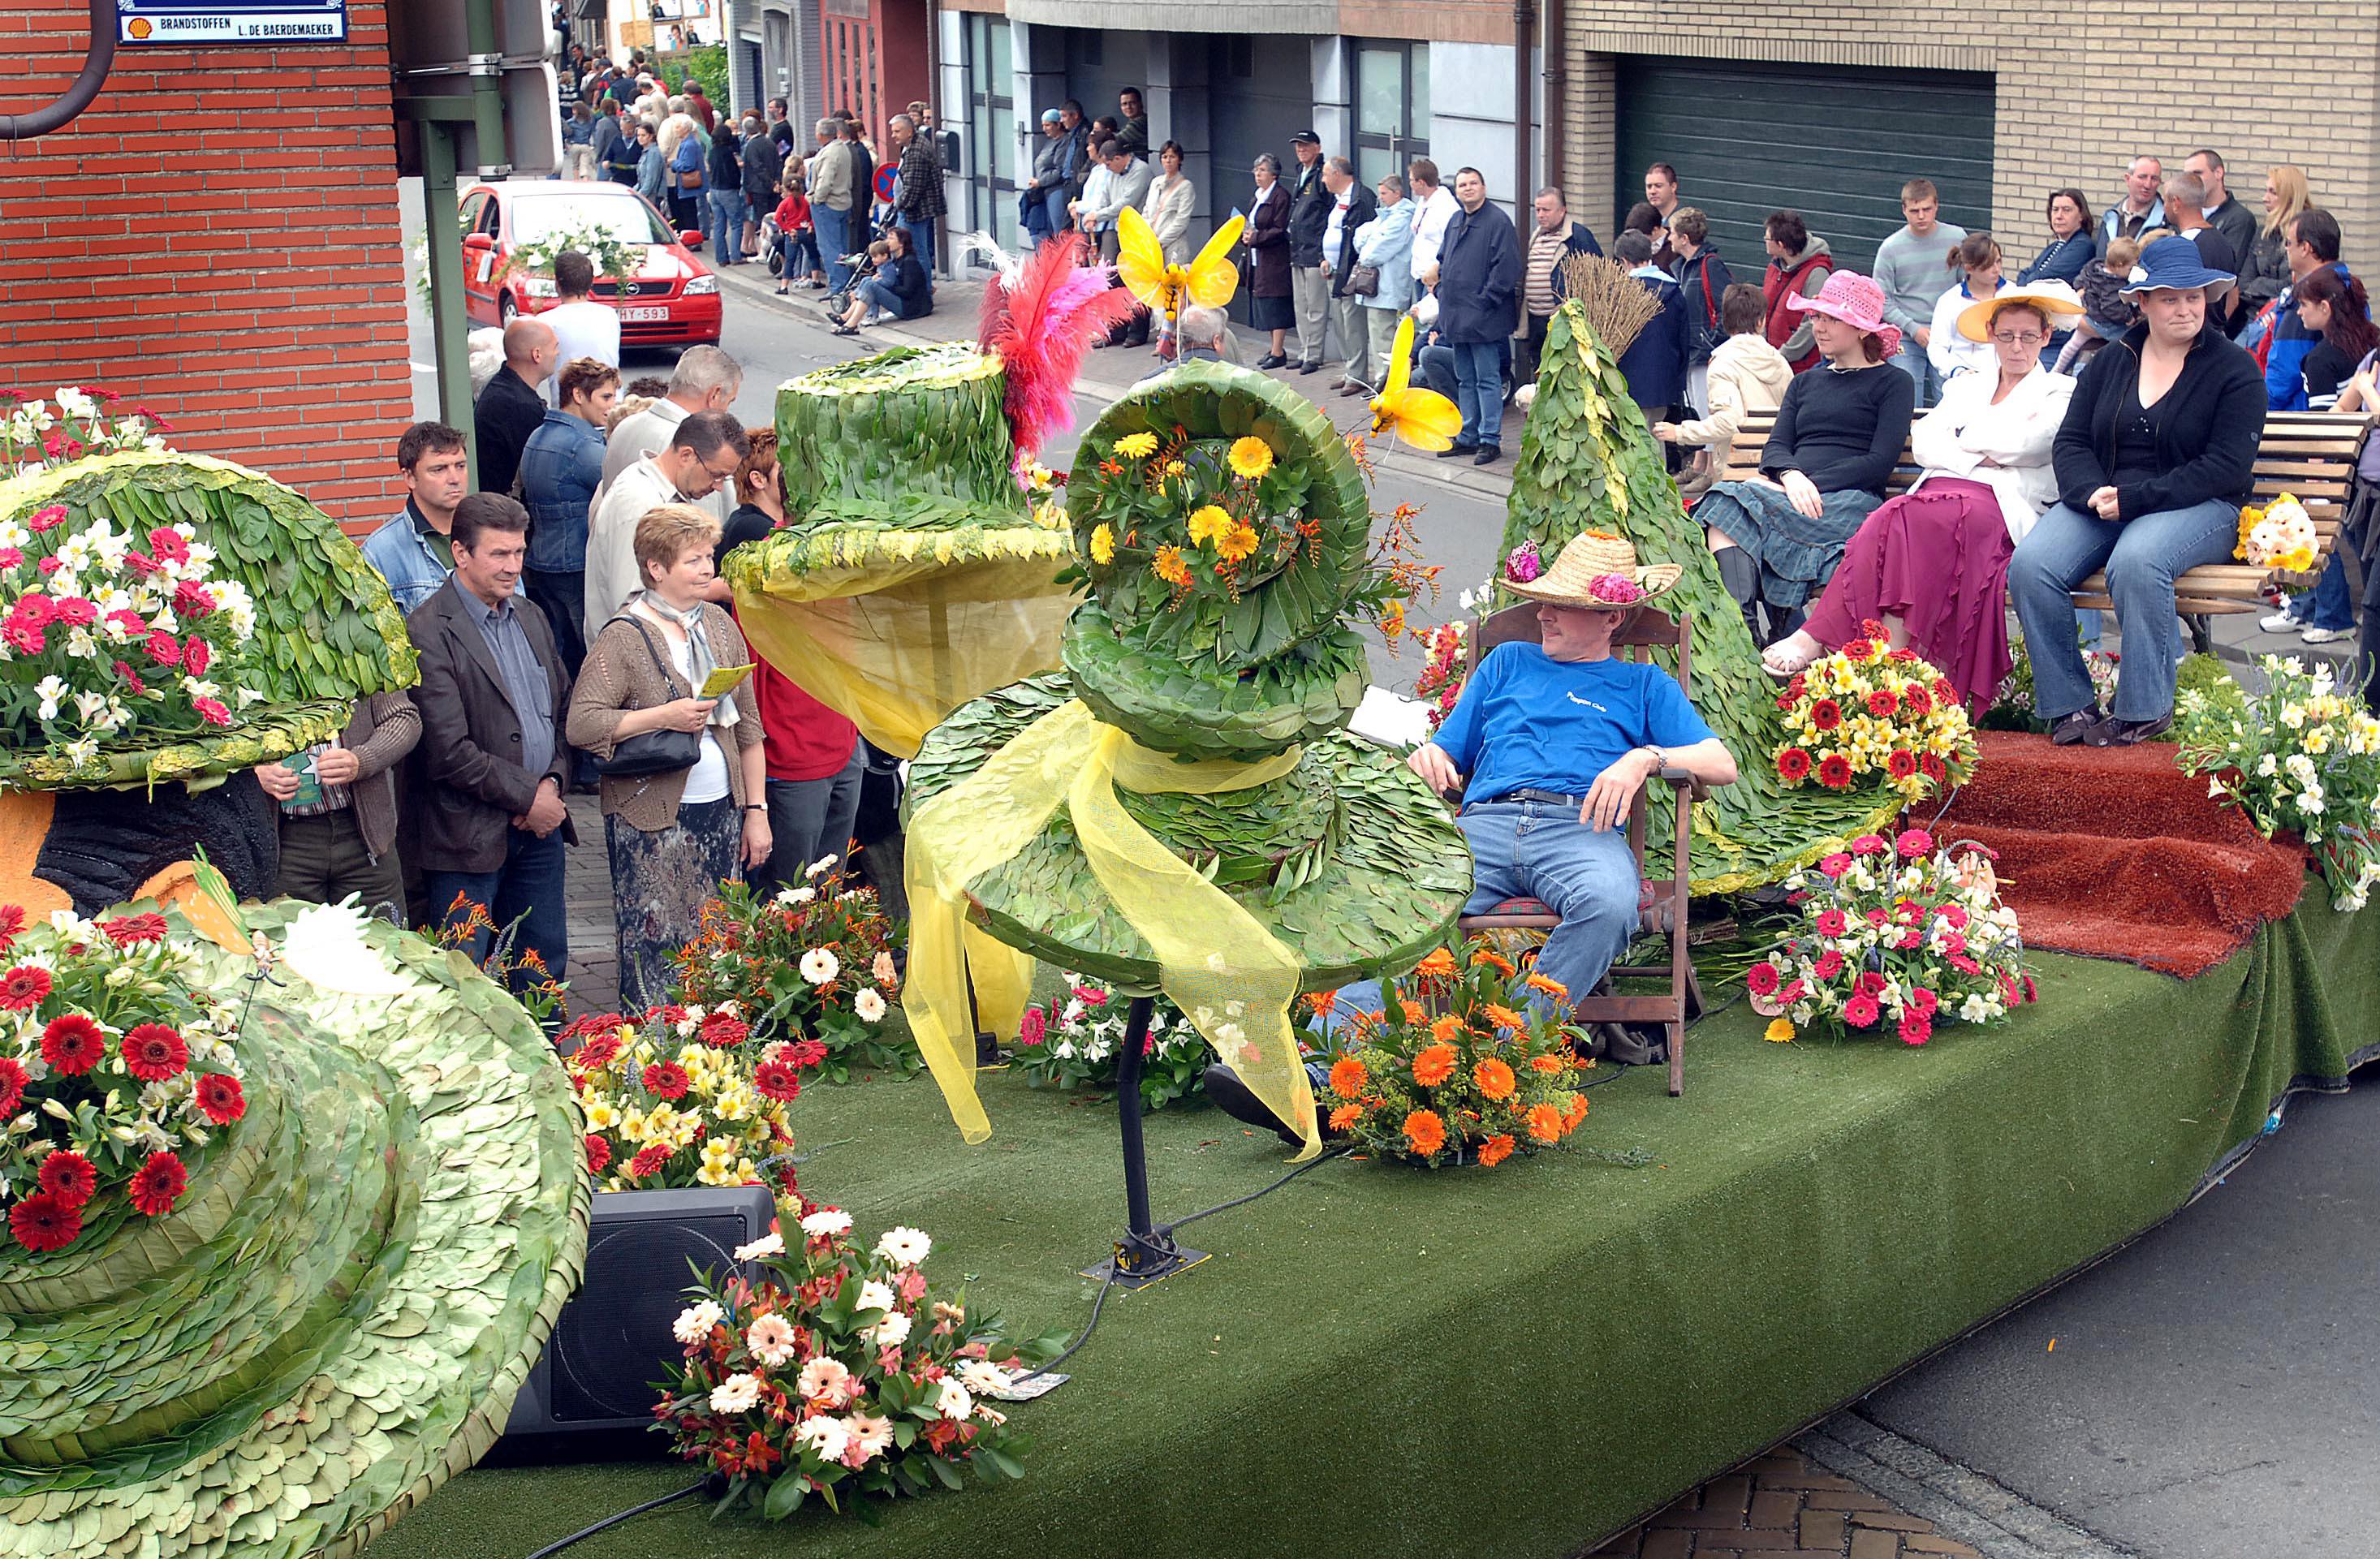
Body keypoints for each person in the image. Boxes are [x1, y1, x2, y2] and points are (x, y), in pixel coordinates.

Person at [1407, 532, 1737, 1018]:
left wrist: (1646, 757)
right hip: (1485, 828)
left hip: (1580, 830)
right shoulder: (1506, 663)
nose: (1543, 614)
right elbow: (1447, 752)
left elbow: (1721, 764)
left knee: (1609, 903)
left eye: (1562, 605)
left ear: (1612, 618)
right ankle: (1325, 1065)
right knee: (1404, 906)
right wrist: (1431, 756)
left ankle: (1508, 1049)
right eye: (1544, 602)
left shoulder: (1642, 684)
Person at [1761, 284, 2083, 707]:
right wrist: (1983, 451)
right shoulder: (1968, 384)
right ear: (1990, 333)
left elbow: (2033, 443)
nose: (2017, 347)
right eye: (2006, 335)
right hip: (1934, 495)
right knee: (1888, 517)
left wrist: (1962, 440)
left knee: (1906, 518)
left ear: (2045, 336)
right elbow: (1928, 440)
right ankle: (1888, 661)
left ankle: (1829, 640)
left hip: (1998, 504)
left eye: (2028, 336)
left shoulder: (2059, 390)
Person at [2008, 243, 2266, 746]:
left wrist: (2134, 499)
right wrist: (2088, 494)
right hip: (2108, 499)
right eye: (2169, 299)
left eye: (2193, 296)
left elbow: (2225, 467)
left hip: (2201, 504)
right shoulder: (2111, 361)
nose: (2185, 308)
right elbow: (2073, 440)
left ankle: (2144, 709)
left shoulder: (2234, 370)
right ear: (2143, 303)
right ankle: (2070, 707)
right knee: (2032, 566)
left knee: (2138, 560)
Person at [567, 504, 769, 1010]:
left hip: (721, 811)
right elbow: (583, 724)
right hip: (649, 817)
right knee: (655, 942)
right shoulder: (624, 635)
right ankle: (654, 1055)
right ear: (657, 569)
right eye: (693, 560)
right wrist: (664, 716)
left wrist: (756, 811)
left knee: (718, 941)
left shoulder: (719, 625)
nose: (707, 568)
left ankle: (718, 1051)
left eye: (708, 557)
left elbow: (748, 728)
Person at [1697, 270, 1918, 644]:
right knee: (1724, 503)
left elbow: (1878, 462)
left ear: (1863, 329)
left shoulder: (1894, 383)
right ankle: (1746, 637)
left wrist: (1810, 485)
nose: (1819, 327)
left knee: (1736, 504)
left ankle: (1779, 634)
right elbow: (1777, 446)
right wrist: (1791, 479)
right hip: (1791, 495)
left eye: (1832, 318)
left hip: (1848, 499)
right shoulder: (1806, 382)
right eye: (1816, 317)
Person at [407, 494, 576, 984]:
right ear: (461, 554)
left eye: (519, 553)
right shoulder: (427, 630)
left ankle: (548, 1060)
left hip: (540, 830)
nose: (512, 566)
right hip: (467, 836)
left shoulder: (529, 615)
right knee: (462, 977)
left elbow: (562, 712)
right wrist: (530, 796)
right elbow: (446, 751)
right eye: (499, 554)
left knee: (543, 969)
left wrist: (553, 786)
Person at [715, 435, 866, 891]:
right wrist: (755, 802)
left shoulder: (838, 552)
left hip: (841, 743)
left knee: (828, 888)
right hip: (791, 754)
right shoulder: (763, 554)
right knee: (792, 896)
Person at [2260, 249, 2367, 644]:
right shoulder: (2368, 344)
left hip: (2334, 466)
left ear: (2325, 307)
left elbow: (2327, 427)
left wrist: (2315, 473)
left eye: (2304, 307)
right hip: (2366, 463)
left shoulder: (2320, 359)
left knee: (2324, 537)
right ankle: (2312, 608)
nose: (2299, 314)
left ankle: (2335, 616)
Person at [252, 692, 420, 923]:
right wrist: (254, 773)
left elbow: (405, 718)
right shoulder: (247, 659)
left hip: (365, 839)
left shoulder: (360, 654)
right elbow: (217, 739)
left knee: (382, 948)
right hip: (286, 844)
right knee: (289, 953)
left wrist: (363, 760)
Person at [587, 410, 749, 627]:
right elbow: (633, 603)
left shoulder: (664, 493)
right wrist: (711, 590)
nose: (719, 487)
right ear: (686, 456)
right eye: (716, 475)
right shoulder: (638, 504)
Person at [520, 356, 619, 677]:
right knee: (590, 656)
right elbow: (621, 485)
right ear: (578, 395)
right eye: (605, 396)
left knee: (560, 654)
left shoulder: (536, 435)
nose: (612, 405)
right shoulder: (582, 446)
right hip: (575, 563)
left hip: (541, 560)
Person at [1653, 282, 1791, 501]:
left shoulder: (1722, 363)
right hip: (1776, 468)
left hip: (1736, 473)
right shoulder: (1780, 361)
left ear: (1725, 322)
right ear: (1762, 322)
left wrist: (1680, 432)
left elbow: (1729, 421)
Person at [1432, 167, 1521, 467]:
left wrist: (1485, 301)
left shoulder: (1498, 222)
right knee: (1465, 379)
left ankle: (1489, 439)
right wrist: (1442, 291)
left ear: (1483, 187)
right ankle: (1468, 435)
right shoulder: (1456, 221)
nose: (1467, 188)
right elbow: (1443, 260)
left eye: (1473, 183)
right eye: (1462, 184)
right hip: (1457, 317)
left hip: (1484, 319)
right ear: (1456, 190)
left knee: (1487, 380)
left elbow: (1507, 269)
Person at [600, 343, 741, 523]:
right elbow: (707, 527)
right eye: (729, 401)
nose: (726, 412)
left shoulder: (624, 426)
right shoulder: (699, 445)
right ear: (714, 395)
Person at [1873, 179, 1967, 407]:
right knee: (1906, 401)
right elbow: (1881, 299)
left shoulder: (1957, 238)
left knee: (1950, 400)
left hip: (1948, 335)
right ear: (1904, 210)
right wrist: (1914, 329)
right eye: (1915, 211)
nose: (1921, 216)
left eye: (1927, 209)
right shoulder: (1890, 248)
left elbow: (1966, 286)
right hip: (1907, 336)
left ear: (1937, 206)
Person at [362, 421, 474, 614]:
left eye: (460, 466)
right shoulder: (380, 552)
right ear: (410, 478)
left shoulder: (489, 533)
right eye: (439, 469)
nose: (455, 478)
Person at [1519, 185, 1602, 386]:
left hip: (1562, 320)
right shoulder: (1537, 235)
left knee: (1564, 373)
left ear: (1562, 210)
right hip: (1535, 319)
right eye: (1538, 210)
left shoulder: (1578, 236)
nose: (1540, 215)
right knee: (1540, 369)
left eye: (1546, 210)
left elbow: (1598, 273)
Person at [1613, 230, 1689, 436]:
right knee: (1657, 435)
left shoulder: (1620, 294)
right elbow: (1683, 340)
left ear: (1624, 261)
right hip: (1664, 381)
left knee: (1635, 441)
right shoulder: (1674, 291)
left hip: (1629, 382)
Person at [475, 317, 555, 497]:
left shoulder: (502, 388)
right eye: (555, 347)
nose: (558, 353)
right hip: (505, 514)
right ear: (537, 354)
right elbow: (540, 472)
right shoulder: (520, 406)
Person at [1352, 174, 1416, 390]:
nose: (1380, 198)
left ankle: (1387, 382)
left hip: (1389, 286)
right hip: (1380, 287)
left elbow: (1373, 252)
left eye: (1384, 193)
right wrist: (1370, 241)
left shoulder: (1401, 218)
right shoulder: (1385, 216)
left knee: (1384, 336)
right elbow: (1360, 236)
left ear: (1397, 193)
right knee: (1378, 334)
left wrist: (1368, 246)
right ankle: (1383, 380)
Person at [1322, 157, 1379, 396]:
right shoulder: (1337, 200)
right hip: (1334, 270)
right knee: (1341, 322)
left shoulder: (1361, 198)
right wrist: (1325, 258)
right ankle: (1350, 369)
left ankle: (1357, 375)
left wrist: (1350, 268)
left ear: (1337, 174)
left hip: (1350, 272)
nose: (1323, 180)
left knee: (1353, 324)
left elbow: (1361, 238)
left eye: (1325, 175)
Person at [2236, 166, 2312, 348]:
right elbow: (2244, 283)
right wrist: (2278, 288)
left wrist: (2262, 284)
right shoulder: (2263, 233)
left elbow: (2298, 285)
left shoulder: (2310, 234)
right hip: (2254, 319)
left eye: (2273, 192)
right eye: (2266, 191)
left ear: (2289, 197)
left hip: (2290, 323)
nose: (2265, 198)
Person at [1665, 207, 1731, 415]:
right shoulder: (1681, 268)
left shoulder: (1711, 265)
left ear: (1684, 238)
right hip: (1689, 354)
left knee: (1705, 412)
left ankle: (1706, 450)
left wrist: (1710, 345)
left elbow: (1726, 309)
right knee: (1694, 411)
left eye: (1672, 233)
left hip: (1704, 356)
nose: (1669, 238)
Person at [1138, 140, 1196, 356]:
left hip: (1174, 247)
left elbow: (1181, 220)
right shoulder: (1155, 183)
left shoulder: (1186, 186)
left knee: (1176, 294)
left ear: (1179, 159)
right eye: (1164, 157)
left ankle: (1178, 339)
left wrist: (1160, 240)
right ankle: (1162, 340)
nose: (1168, 161)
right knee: (1158, 293)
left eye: (1172, 157)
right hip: (1153, 246)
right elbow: (1147, 212)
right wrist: (1146, 237)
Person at [538, 252, 620, 402]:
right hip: (610, 404)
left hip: (570, 406)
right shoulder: (609, 315)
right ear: (591, 283)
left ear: (557, 284)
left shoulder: (545, 322)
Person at [1926, 232, 2006, 388]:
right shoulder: (1949, 301)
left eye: (1998, 262)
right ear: (1969, 268)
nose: (1996, 269)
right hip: (1966, 383)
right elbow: (1937, 347)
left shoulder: (2013, 294)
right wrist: (1958, 371)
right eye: (1988, 265)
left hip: (2007, 383)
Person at [2056, 234, 2142, 376]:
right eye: (2131, 267)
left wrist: (2083, 292)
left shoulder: (2093, 268)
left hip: (2088, 315)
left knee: (2072, 346)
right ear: (2120, 265)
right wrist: (2128, 318)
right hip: (2102, 323)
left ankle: (2057, 371)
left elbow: (2079, 281)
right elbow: (2111, 308)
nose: (2132, 271)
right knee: (2126, 341)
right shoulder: (2113, 284)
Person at [1761, 210, 1835, 373]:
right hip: (1773, 361)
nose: (1764, 242)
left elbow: (1812, 323)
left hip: (1800, 367)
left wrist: (1783, 354)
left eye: (1767, 238)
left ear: (1780, 245)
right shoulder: (1775, 267)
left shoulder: (1817, 274)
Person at [1285, 131, 1333, 375]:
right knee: (1300, 304)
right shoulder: (1300, 173)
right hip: (1297, 249)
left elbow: (1327, 212)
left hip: (1315, 250)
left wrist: (1324, 250)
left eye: (1305, 146)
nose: (1301, 150)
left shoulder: (1321, 176)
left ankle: (1314, 355)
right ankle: (1304, 351)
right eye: (1298, 146)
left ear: (1317, 147)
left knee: (1315, 307)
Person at [1244, 153, 1295, 368]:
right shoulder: (1258, 196)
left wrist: (1255, 237)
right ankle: (1273, 348)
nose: (1258, 174)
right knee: (1263, 302)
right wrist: (1245, 235)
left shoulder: (1281, 197)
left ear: (1274, 175)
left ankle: (1278, 350)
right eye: (1256, 170)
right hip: (1257, 257)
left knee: (1276, 303)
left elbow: (1279, 229)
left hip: (1274, 259)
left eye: (1262, 170)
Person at [829, 229, 930, 334]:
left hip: (912, 308)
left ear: (901, 243)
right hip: (903, 302)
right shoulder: (895, 260)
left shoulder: (910, 262)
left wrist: (883, 283)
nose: (887, 241)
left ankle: (851, 325)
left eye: (891, 238)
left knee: (871, 285)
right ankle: (846, 317)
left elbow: (907, 291)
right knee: (868, 280)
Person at [888, 113, 945, 283]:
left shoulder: (917, 151)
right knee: (917, 249)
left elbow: (913, 188)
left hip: (914, 211)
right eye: (893, 131)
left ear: (909, 132)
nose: (893, 135)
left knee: (914, 250)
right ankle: (921, 289)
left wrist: (899, 205)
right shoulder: (910, 147)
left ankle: (922, 290)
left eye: (897, 131)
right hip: (912, 209)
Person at [2187, 149, 2259, 278]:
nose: (2192, 181)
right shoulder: (2182, 214)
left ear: (2218, 173)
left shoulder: (2240, 219)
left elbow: (2230, 267)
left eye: (2198, 173)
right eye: (2188, 176)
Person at [808, 118, 857, 292]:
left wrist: (816, 199)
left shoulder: (829, 153)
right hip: (843, 201)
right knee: (842, 247)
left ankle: (838, 287)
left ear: (820, 135)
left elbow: (825, 181)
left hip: (829, 204)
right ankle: (846, 284)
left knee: (829, 248)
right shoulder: (842, 148)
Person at [2162, 171, 2239, 280]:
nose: (2164, 207)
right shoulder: (2224, 243)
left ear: (2175, 203)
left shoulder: (2183, 247)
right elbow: (2233, 292)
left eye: (2165, 201)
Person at [1406, 157, 1458, 294]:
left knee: (1428, 314)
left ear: (1421, 183)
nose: (1410, 184)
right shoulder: (1422, 201)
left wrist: (1439, 270)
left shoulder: (1446, 206)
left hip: (1435, 274)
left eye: (1412, 180)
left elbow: (1452, 242)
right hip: (1419, 272)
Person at [2098, 155, 2166, 255]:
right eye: (2142, 177)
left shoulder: (2166, 222)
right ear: (2128, 179)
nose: (2148, 185)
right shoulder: (2110, 217)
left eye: (2154, 179)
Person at [702, 110, 744, 265]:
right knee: (736, 223)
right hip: (728, 190)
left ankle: (721, 257)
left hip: (714, 190)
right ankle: (735, 256)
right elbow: (733, 172)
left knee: (719, 225)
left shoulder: (712, 152)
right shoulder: (727, 153)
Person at [739, 114, 783, 261]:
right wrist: (776, 182)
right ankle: (774, 252)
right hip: (772, 187)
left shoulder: (751, 146)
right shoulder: (769, 142)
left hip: (758, 188)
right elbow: (778, 162)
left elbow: (757, 167)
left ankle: (764, 252)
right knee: (773, 219)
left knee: (762, 221)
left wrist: (770, 182)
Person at [770, 172, 821, 295]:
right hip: (806, 232)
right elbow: (815, 214)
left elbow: (777, 218)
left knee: (790, 260)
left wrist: (787, 229)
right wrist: (811, 225)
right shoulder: (806, 201)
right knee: (813, 255)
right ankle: (815, 280)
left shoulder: (786, 202)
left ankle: (784, 286)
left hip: (792, 234)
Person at [1024, 109, 1067, 243]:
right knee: (1039, 233)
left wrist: (1040, 181)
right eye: (1043, 125)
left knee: (1058, 232)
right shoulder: (1050, 142)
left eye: (1048, 125)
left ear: (1058, 124)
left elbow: (1060, 171)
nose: (1045, 129)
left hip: (1056, 191)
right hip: (1044, 192)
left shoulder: (1064, 142)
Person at [662, 112, 705, 235]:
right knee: (688, 211)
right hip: (685, 184)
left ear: (685, 128)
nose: (675, 130)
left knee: (688, 212)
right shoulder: (688, 142)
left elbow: (688, 165)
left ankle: (693, 239)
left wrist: (673, 163)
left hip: (688, 184)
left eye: (678, 127)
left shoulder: (688, 144)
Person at [1642, 162, 1682, 269]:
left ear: (1673, 187)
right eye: (1649, 187)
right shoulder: (1644, 219)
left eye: (1658, 186)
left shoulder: (1685, 221)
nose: (1652, 191)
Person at [632, 121, 666, 209]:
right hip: (645, 195)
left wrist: (640, 195)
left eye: (643, 135)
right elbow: (640, 181)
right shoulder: (645, 153)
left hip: (652, 198)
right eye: (638, 135)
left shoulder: (653, 153)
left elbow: (651, 179)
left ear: (651, 136)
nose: (640, 138)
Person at [1114, 88, 1149, 161]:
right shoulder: (1130, 123)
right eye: (1124, 104)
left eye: (1132, 103)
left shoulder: (1141, 122)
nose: (1128, 107)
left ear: (1140, 103)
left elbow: (1116, 140)